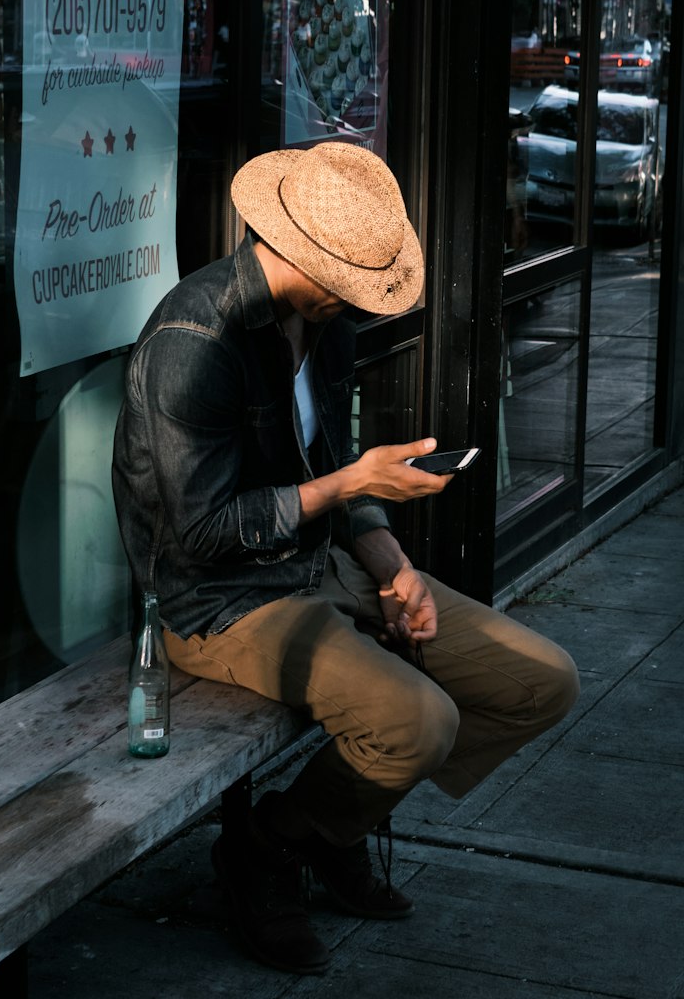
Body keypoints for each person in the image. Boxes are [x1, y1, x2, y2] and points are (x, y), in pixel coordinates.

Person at [112, 140, 579, 975]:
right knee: (417, 720)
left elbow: (331, 468)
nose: (359, 299)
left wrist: (393, 562)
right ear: (301, 254)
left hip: (319, 562)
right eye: (351, 282)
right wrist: (343, 488)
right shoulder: (196, 339)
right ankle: (267, 852)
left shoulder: (323, 326)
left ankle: (327, 825)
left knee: (540, 680)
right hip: (218, 604)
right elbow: (202, 535)